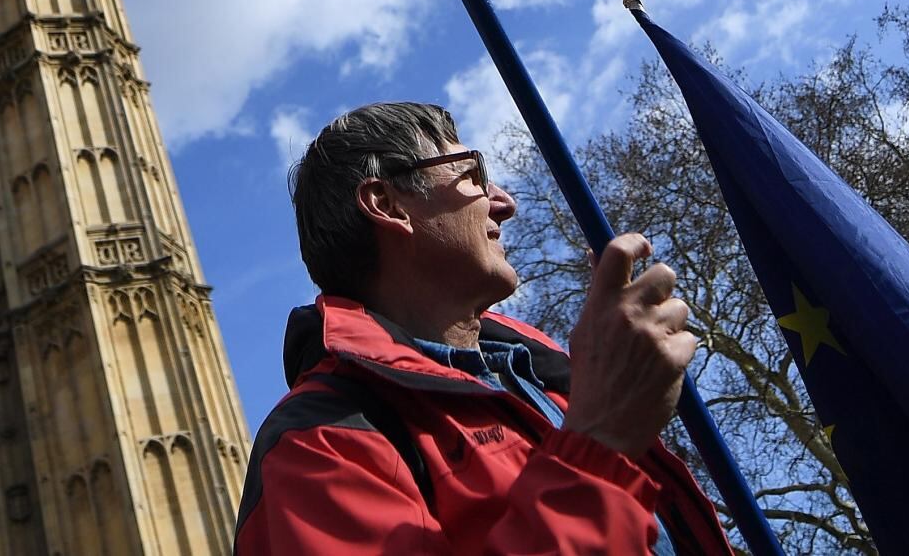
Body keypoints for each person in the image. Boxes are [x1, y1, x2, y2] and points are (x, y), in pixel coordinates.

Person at [235, 102, 725, 555]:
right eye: (471, 175)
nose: (504, 201)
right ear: (387, 204)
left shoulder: (548, 382)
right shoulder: (319, 444)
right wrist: (600, 443)